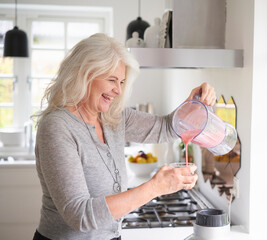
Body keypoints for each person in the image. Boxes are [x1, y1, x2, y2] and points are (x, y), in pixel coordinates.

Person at [32, 33, 216, 240]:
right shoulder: (57, 127)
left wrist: (194, 102)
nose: (118, 90)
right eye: (112, 80)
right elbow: (80, 215)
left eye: (121, 81)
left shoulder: (113, 117)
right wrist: (155, 187)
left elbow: (165, 128)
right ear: (84, 74)